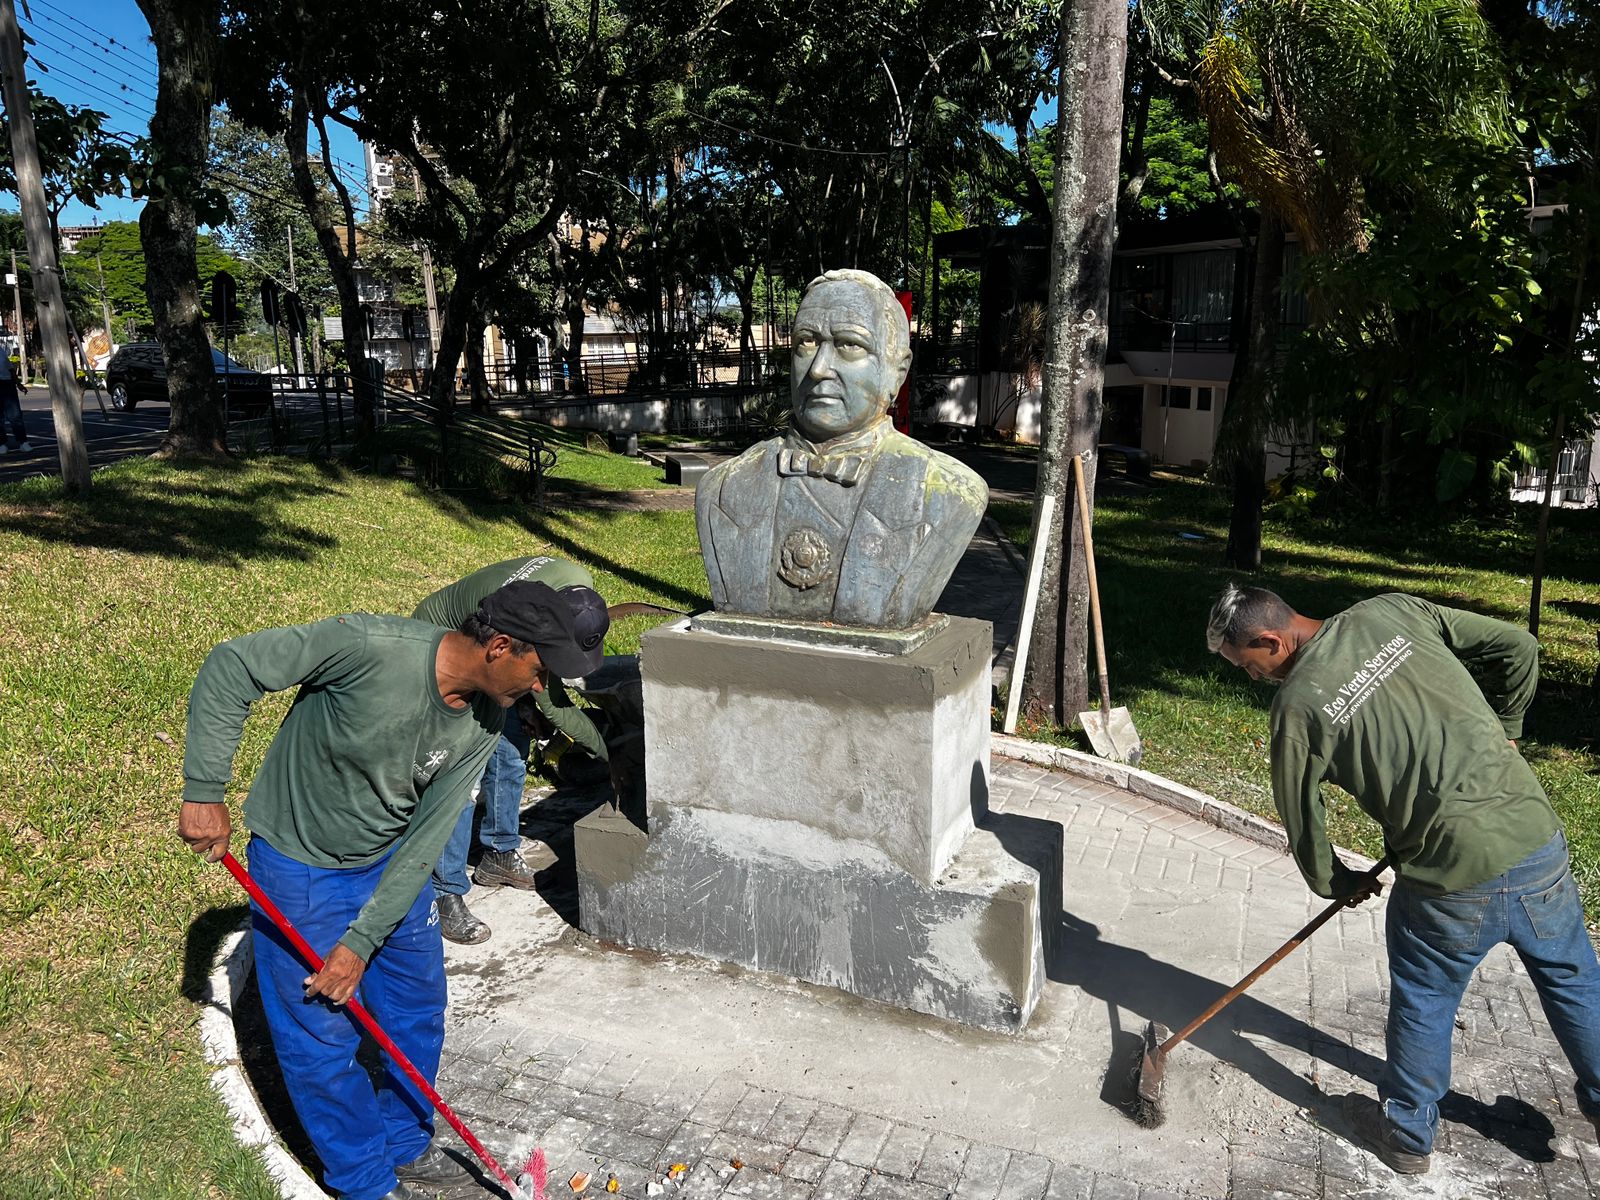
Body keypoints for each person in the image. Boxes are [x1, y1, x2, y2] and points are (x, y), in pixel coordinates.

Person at [178, 581, 601, 1200]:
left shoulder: (487, 719)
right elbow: (232, 666)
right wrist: (204, 789)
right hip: (301, 868)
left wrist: (362, 940)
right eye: (541, 671)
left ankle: (404, 1142)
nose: (542, 689)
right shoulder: (369, 646)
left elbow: (428, 838)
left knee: (416, 1007)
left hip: (389, 864)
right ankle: (364, 1182)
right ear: (501, 646)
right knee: (322, 1038)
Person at [1205, 584, 1600, 1175]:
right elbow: (1518, 645)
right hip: (1532, 841)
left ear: (1270, 639)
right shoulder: (1390, 612)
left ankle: (1409, 1135)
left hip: (1448, 879)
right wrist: (1509, 725)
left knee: (1425, 997)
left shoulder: (1298, 707)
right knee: (1574, 981)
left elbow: (1301, 816)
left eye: (1249, 666)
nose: (1254, 678)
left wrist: (1337, 881)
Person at [695, 268, 987, 630]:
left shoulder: (949, 491)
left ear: (898, 371)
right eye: (806, 342)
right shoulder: (722, 489)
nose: (818, 368)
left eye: (850, 344)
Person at [411, 556, 611, 944]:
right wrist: (610, 754)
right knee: (459, 774)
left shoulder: (574, 589)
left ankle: (498, 853)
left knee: (511, 743)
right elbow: (554, 704)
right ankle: (444, 890)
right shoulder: (513, 617)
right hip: (442, 639)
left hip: (497, 645)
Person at [0, 349, 30, 454]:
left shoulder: (1, 351)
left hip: (7, 384)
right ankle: (2, 444)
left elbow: (10, 369)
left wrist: (18, 384)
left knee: (15, 414)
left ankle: (23, 442)